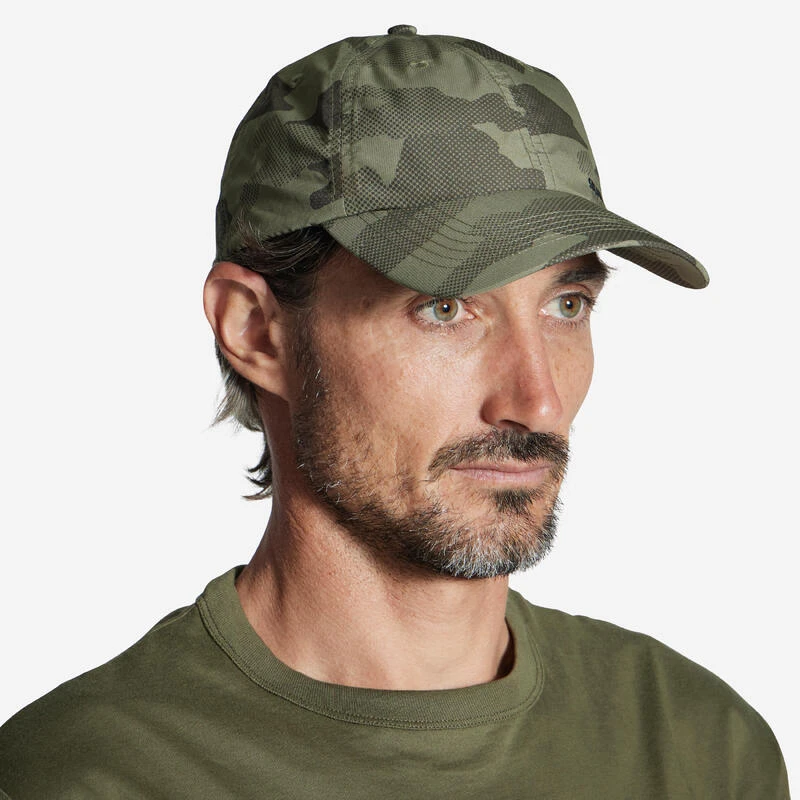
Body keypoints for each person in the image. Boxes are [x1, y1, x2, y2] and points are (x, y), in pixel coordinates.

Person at [0, 25, 789, 799]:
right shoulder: (86, 778)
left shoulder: (697, 750)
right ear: (256, 330)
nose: (538, 399)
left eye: (567, 303)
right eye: (445, 308)